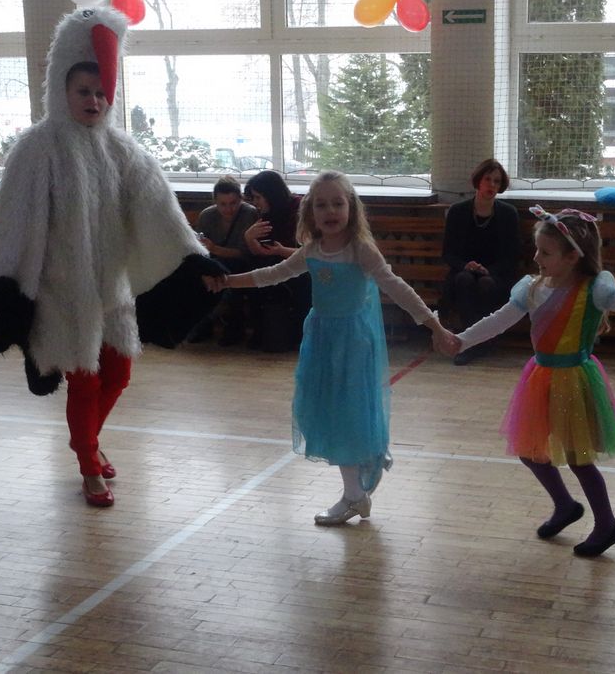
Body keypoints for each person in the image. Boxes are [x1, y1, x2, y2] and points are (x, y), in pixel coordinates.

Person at [0, 6, 226, 508]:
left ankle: (84, 441)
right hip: (61, 292)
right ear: (61, 91)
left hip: (113, 289)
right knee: (83, 381)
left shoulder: (123, 149)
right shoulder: (37, 148)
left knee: (119, 375)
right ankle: (89, 464)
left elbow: (158, 208)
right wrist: (0, 280)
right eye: (83, 91)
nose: (93, 100)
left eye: (101, 92)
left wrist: (192, 257)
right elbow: (12, 219)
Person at [439, 206, 615, 557]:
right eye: (537, 250)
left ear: (572, 256)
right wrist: (462, 340)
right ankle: (565, 505)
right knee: (530, 452)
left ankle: (607, 524)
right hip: (539, 377)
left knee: (579, 459)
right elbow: (499, 321)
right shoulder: (531, 288)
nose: (536, 258)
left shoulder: (594, 290)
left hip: (574, 381)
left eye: (545, 253)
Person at [224, 171, 451, 525]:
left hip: (354, 343)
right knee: (328, 411)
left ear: (351, 208)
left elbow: (396, 287)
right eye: (321, 205)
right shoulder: (312, 250)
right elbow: (274, 274)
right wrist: (227, 281)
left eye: (337, 203)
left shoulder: (360, 250)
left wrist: (433, 324)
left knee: (348, 412)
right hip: (321, 340)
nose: (330, 211)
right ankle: (356, 488)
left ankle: (355, 492)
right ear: (310, 213)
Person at [442, 158, 521, 365]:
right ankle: (471, 341)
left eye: (497, 181)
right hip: (462, 272)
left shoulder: (508, 214)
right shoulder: (458, 211)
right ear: (478, 181)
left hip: (497, 274)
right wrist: (465, 265)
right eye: (488, 179)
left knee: (485, 283)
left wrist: (489, 270)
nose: (492, 185)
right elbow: (448, 253)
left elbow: (512, 256)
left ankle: (479, 341)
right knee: (465, 280)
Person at [240, 170, 311, 351]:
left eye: (258, 197)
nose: (255, 203)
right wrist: (249, 238)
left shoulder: (300, 210)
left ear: (271, 195)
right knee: (254, 272)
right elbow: (260, 251)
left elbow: (313, 253)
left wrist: (281, 251)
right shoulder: (268, 212)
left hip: (302, 267)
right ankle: (262, 331)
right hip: (278, 262)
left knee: (300, 282)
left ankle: (297, 334)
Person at [188, 175, 260, 345]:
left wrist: (214, 249)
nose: (229, 209)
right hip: (213, 262)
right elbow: (198, 250)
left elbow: (246, 254)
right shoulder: (207, 216)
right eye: (223, 204)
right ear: (215, 202)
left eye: (233, 203)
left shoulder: (249, 214)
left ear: (241, 199)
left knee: (232, 273)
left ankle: (231, 325)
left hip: (240, 264)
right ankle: (204, 323)